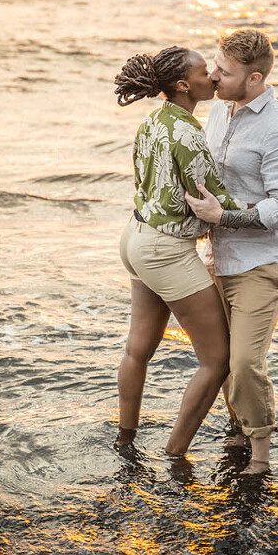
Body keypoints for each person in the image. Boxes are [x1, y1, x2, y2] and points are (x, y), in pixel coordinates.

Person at [184, 28, 278, 476]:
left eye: (225, 71)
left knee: (245, 362)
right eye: (216, 64)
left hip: (262, 263)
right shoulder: (218, 111)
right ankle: (237, 432)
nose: (213, 75)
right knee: (220, 360)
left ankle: (259, 457)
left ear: (255, 79)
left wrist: (225, 218)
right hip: (217, 258)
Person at [113, 45, 241, 458]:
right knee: (218, 359)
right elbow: (214, 199)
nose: (214, 77)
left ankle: (126, 440)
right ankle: (174, 453)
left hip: (135, 236)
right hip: (165, 250)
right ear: (185, 85)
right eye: (206, 72)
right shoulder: (188, 132)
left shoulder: (153, 121)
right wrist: (269, 213)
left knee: (138, 349)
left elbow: (148, 180)